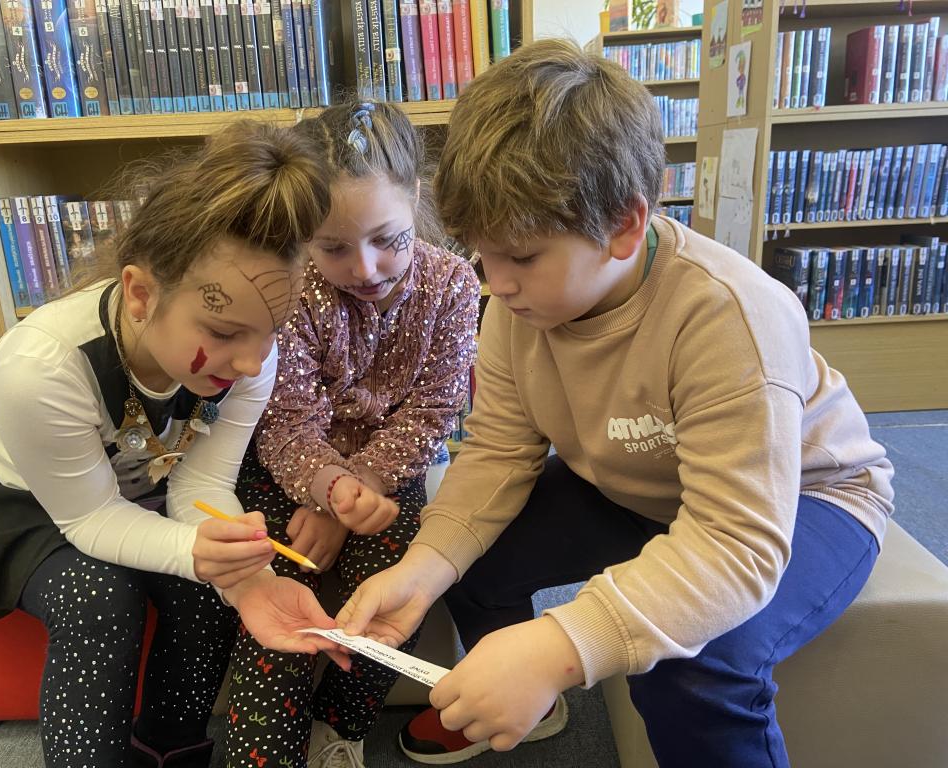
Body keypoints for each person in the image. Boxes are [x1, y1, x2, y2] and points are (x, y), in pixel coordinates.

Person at [336, 40, 895, 768]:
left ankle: (538, 675)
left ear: (626, 226)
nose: (496, 282)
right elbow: (498, 452)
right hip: (638, 490)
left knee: (690, 668)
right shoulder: (519, 303)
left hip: (805, 500)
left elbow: (736, 542)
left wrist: (561, 644)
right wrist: (423, 568)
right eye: (482, 254)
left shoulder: (729, 315)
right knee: (469, 564)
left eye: (522, 256)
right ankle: (523, 701)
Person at [0, 121, 350, 768]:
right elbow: (90, 517)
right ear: (141, 294)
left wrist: (249, 582)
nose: (250, 362)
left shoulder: (250, 356)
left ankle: (167, 751)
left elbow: (200, 486)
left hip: (142, 473)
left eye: (270, 331)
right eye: (222, 332)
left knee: (205, 592)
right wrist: (204, 556)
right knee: (99, 597)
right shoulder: (42, 366)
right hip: (22, 499)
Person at [225, 101, 481, 768]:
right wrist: (328, 490)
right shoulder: (292, 288)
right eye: (334, 247)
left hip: (388, 475)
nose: (365, 269)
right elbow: (284, 421)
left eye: (388, 239)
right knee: (278, 618)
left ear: (415, 197)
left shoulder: (452, 284)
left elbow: (432, 412)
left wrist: (355, 489)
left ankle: (341, 724)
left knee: (396, 598)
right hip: (290, 473)